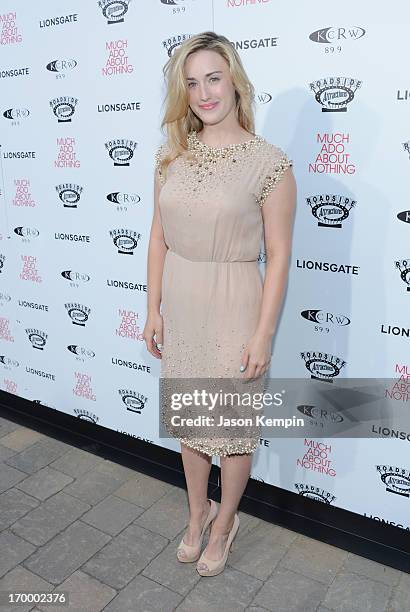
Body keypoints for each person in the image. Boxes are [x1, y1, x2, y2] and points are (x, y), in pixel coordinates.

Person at [143, 31, 296, 577]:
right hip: (181, 302)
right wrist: (153, 307)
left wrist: (263, 334)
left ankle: (226, 520)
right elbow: (157, 237)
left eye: (212, 77)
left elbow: (278, 256)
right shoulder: (172, 156)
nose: (204, 92)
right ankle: (195, 514)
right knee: (189, 422)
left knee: (230, 429)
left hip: (236, 300)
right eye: (191, 82)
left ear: (234, 79)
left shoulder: (270, 163)